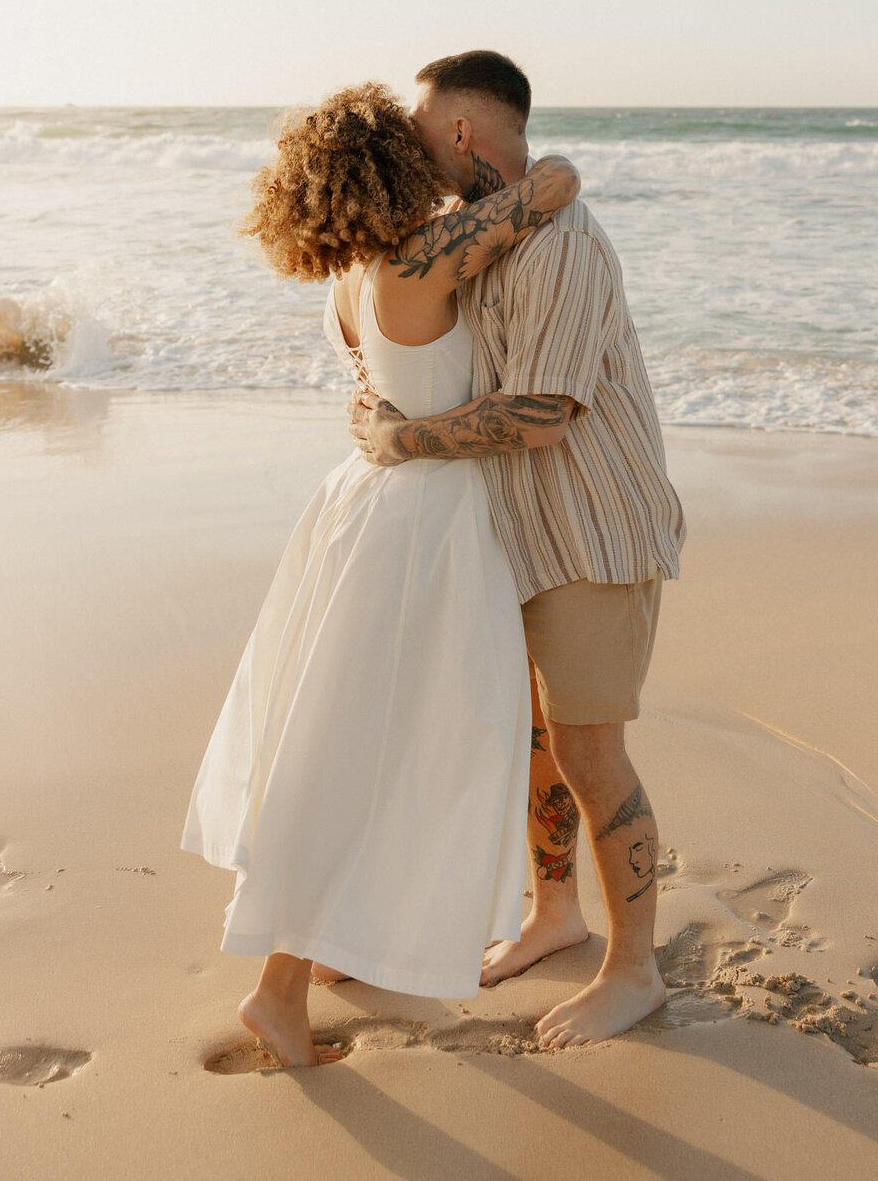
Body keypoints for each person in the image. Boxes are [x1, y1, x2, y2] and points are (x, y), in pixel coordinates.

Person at [179, 81, 580, 1069]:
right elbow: (559, 181)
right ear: (392, 163)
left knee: (342, 733)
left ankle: (324, 953)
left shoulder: (351, 279)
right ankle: (276, 987)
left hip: (362, 506)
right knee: (372, 753)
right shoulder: (424, 257)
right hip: (426, 524)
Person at [349, 50, 687, 1049]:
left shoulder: (562, 246)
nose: (411, 140)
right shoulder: (494, 230)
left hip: (592, 527)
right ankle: (557, 912)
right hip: (517, 530)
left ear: (459, 129)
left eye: (419, 123)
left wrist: (401, 440)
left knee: (590, 749)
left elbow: (541, 412)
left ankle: (636, 971)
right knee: (540, 737)